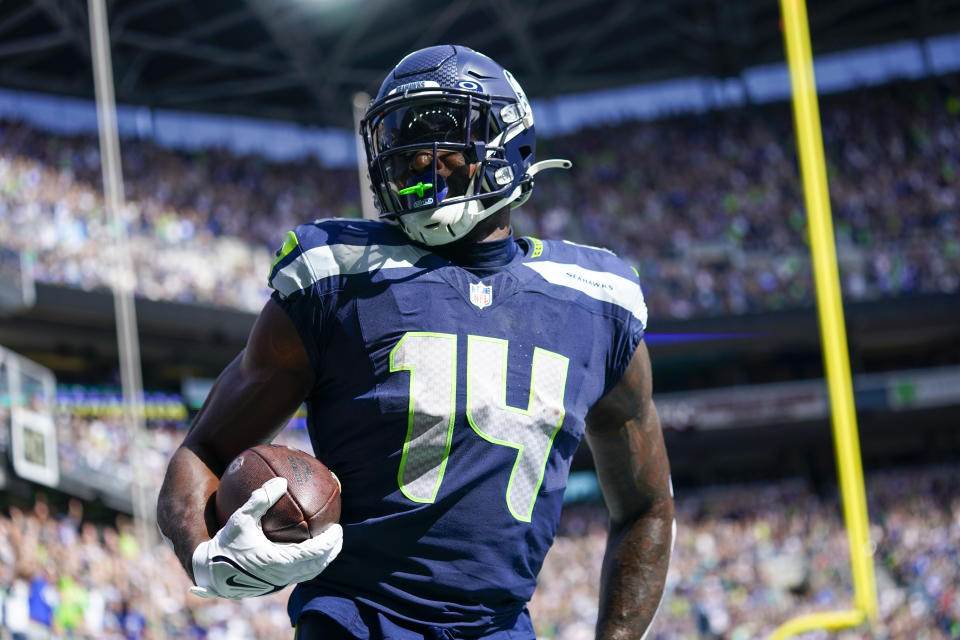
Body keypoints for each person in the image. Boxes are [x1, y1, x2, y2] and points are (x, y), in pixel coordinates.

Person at [157, 44, 675, 640]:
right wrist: (204, 557)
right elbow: (202, 452)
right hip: (355, 622)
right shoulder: (338, 278)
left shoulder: (595, 302)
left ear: (507, 149)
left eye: (442, 138)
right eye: (404, 140)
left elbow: (646, 506)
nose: (414, 159)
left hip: (500, 628)